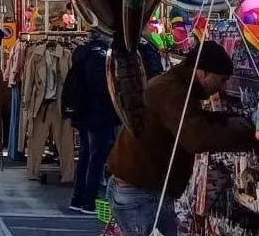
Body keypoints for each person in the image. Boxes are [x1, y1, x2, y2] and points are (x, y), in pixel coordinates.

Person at [107, 41, 257, 236]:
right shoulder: (172, 91)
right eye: (221, 80)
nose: (222, 87)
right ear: (203, 73)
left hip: (141, 190)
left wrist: (227, 119)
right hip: (141, 194)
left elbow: (187, 121)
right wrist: (244, 133)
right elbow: (196, 137)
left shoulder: (176, 86)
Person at [66, 31, 163, 216]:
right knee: (97, 156)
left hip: (84, 113)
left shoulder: (83, 52)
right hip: (99, 114)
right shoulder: (101, 55)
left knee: (86, 156)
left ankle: (78, 199)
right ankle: (88, 202)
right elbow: (104, 88)